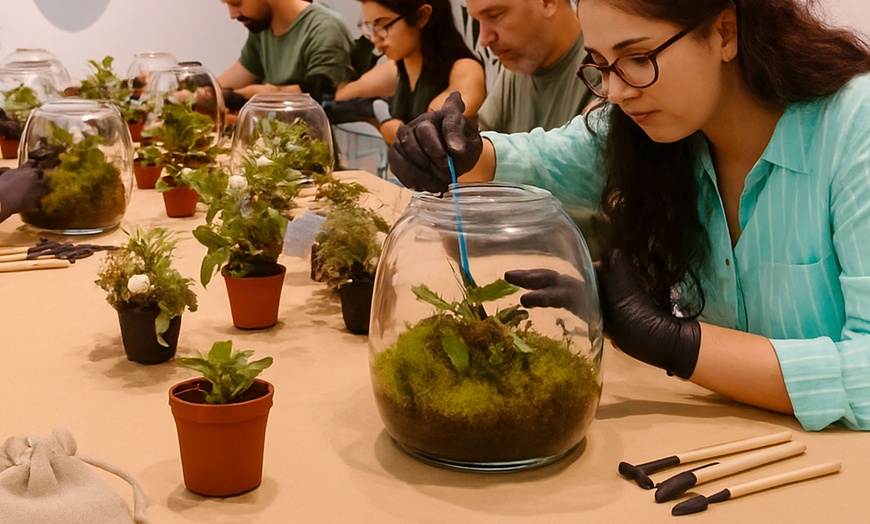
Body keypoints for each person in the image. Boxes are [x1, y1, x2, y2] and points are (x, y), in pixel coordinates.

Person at [387, 0, 870, 432]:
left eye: (638, 58)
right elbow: (545, 159)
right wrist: (457, 151)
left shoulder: (854, 128)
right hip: (711, 441)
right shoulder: (656, 132)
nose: (615, 91)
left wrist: (678, 343)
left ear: (725, 31)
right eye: (600, 65)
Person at [322, 0, 485, 145]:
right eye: (370, 26)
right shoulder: (398, 67)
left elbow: (431, 134)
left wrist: (384, 120)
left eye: (383, 25)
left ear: (422, 16)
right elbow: (338, 98)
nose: (374, 39)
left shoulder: (466, 70)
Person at [469, 0, 597, 134]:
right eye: (477, 21)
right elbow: (481, 132)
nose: (483, 39)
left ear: (547, 2)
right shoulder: (520, 62)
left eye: (494, 15)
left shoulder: (601, 69)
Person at [217, 0, 358, 107]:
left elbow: (320, 95)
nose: (233, 15)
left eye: (236, 3)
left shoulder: (325, 30)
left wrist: (258, 94)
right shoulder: (261, 28)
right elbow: (234, 78)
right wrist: (207, 93)